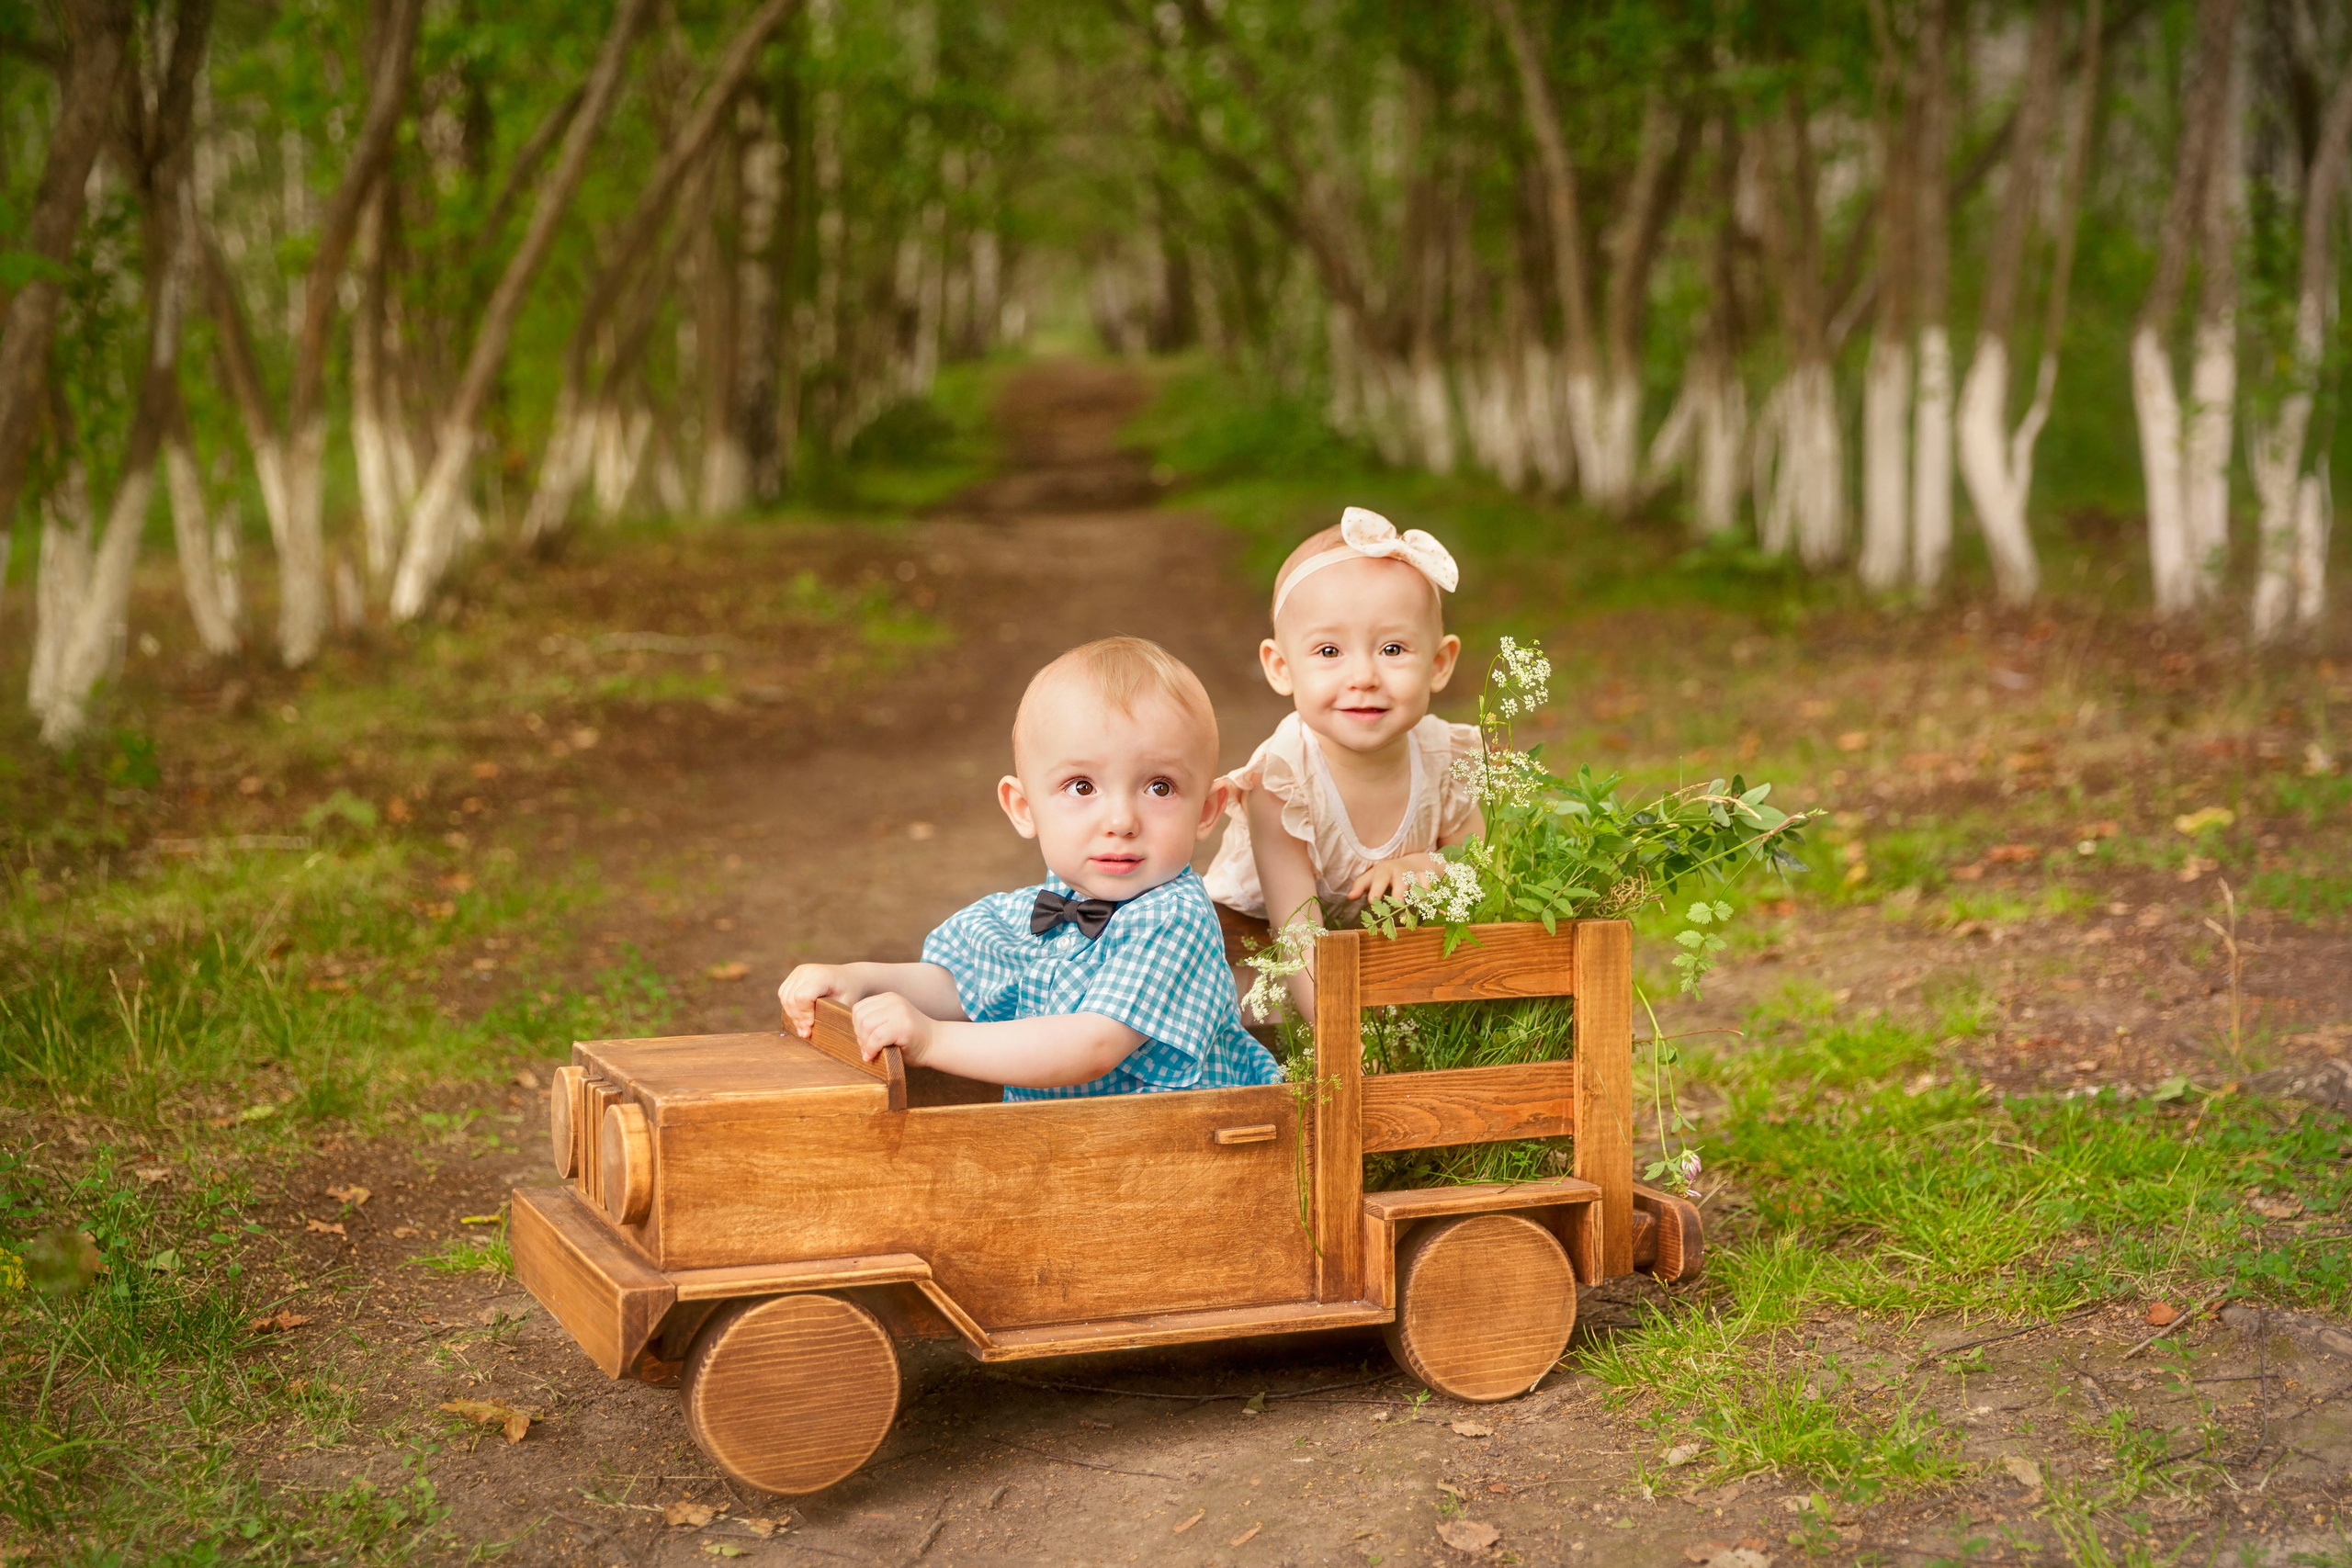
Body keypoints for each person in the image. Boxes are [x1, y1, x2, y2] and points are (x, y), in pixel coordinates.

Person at [777, 637, 1283, 1098]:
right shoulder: (1035, 912)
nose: (1121, 820)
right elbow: (958, 985)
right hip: (1088, 1155)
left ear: (1207, 810)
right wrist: (859, 979)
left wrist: (932, 1040)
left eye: (1159, 787)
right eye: (1082, 787)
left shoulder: (1172, 919)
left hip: (1197, 1157)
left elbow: (1092, 1045)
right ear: (1023, 807)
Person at [1202, 507, 1485, 1019]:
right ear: (1282, 668)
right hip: (1266, 973)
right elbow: (1298, 934)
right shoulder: (1282, 782)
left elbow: (1485, 870)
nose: (1363, 676)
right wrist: (1343, 1049)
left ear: (1439, 664)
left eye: (1393, 648)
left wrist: (1429, 866)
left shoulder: (1446, 756)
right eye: (1329, 650)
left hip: (1379, 968)